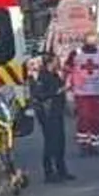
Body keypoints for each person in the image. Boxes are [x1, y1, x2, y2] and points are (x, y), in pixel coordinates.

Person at [30, 50, 74, 184]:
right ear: (50, 62)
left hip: (57, 111)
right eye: (56, 61)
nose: (58, 63)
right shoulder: (42, 77)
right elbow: (39, 95)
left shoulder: (55, 75)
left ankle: (62, 170)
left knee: (60, 142)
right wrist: (57, 91)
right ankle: (49, 172)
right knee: (50, 143)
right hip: (47, 113)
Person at [66, 33, 99, 157]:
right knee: (84, 118)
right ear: (84, 41)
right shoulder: (76, 53)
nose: (92, 43)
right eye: (89, 41)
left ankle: (95, 144)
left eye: (94, 41)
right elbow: (67, 67)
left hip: (98, 90)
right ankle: (84, 144)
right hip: (82, 91)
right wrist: (74, 80)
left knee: (96, 119)